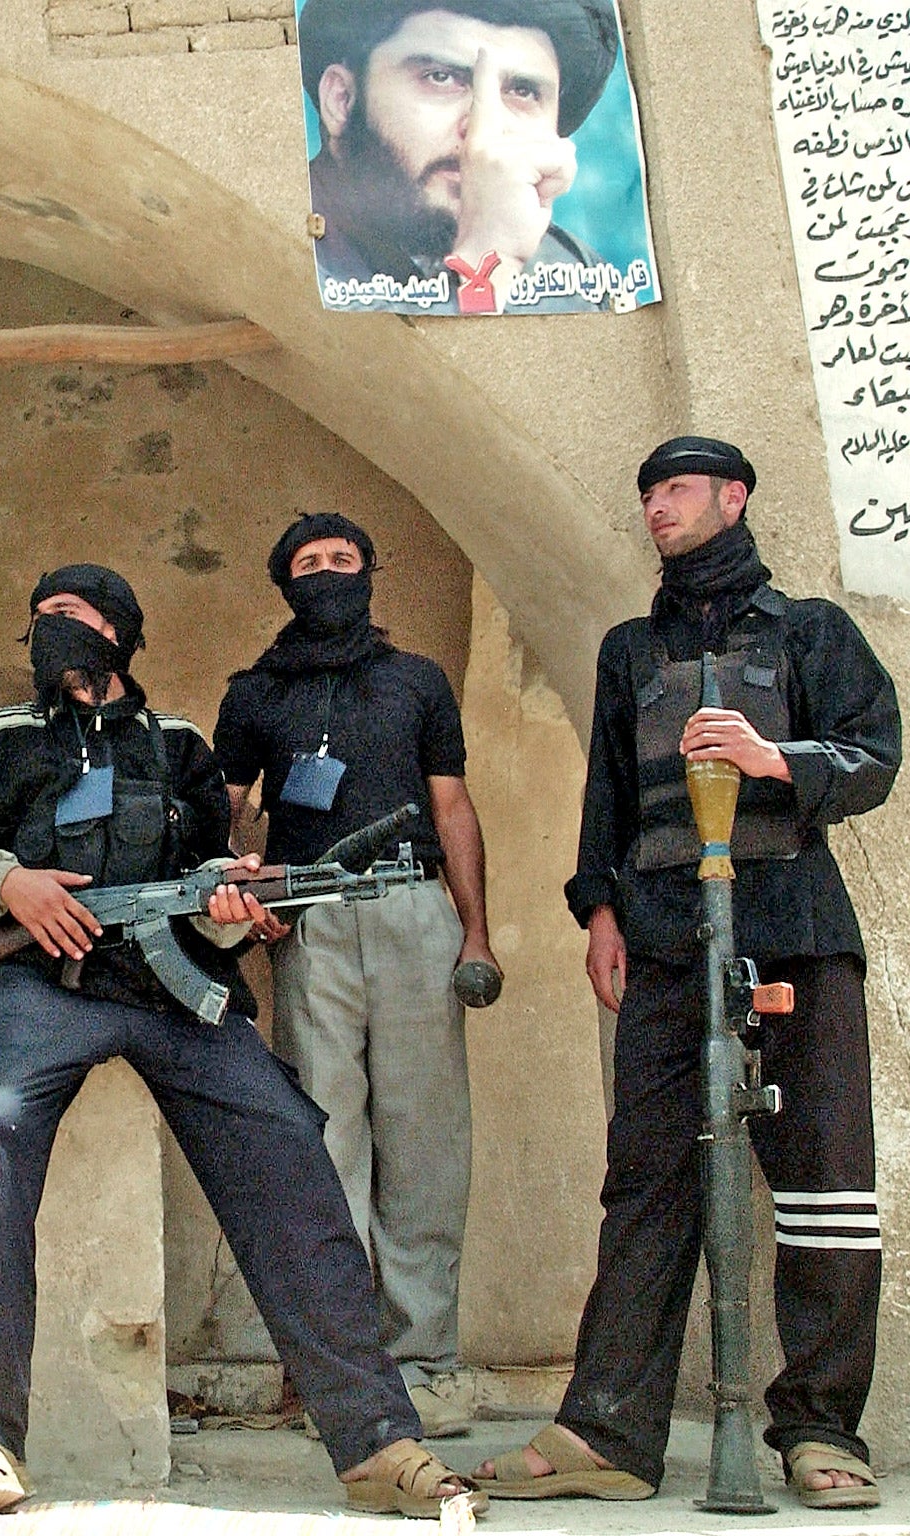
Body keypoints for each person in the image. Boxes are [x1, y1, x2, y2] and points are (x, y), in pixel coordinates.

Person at [0, 564, 481, 1519]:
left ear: (122, 634)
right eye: (42, 615)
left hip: (182, 1000)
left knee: (292, 1144)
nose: (53, 629)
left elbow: (212, 881)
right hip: (49, 991)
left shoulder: (178, 747)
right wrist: (12, 887)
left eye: (74, 615)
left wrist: (229, 901)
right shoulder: (3, 738)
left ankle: (378, 1438)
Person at [475, 438, 897, 1509]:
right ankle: (608, 1434)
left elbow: (874, 757)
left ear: (730, 497)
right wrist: (598, 911)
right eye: (646, 493)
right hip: (665, 939)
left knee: (822, 1187)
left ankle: (815, 1429)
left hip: (792, 926)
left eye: (672, 489)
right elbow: (607, 798)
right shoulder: (628, 649)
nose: (655, 508)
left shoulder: (809, 632)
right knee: (646, 1182)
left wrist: (774, 761)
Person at [212, 514, 496, 1437]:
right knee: (320, 1142)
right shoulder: (254, 694)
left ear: (369, 571)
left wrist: (475, 932)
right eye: (309, 564)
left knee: (424, 1140)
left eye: (343, 560)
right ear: (285, 583)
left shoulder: (417, 681)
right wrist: (240, 893)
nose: (329, 574)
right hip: (310, 927)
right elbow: (222, 815)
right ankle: (333, 1365)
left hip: (415, 911)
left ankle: (422, 1361)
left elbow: (451, 805)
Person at [298, 0, 621, 313]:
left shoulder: (577, 275)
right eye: (441, 77)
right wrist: (491, 265)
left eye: (522, 91)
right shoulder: (280, 249)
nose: (485, 130)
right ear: (342, 100)